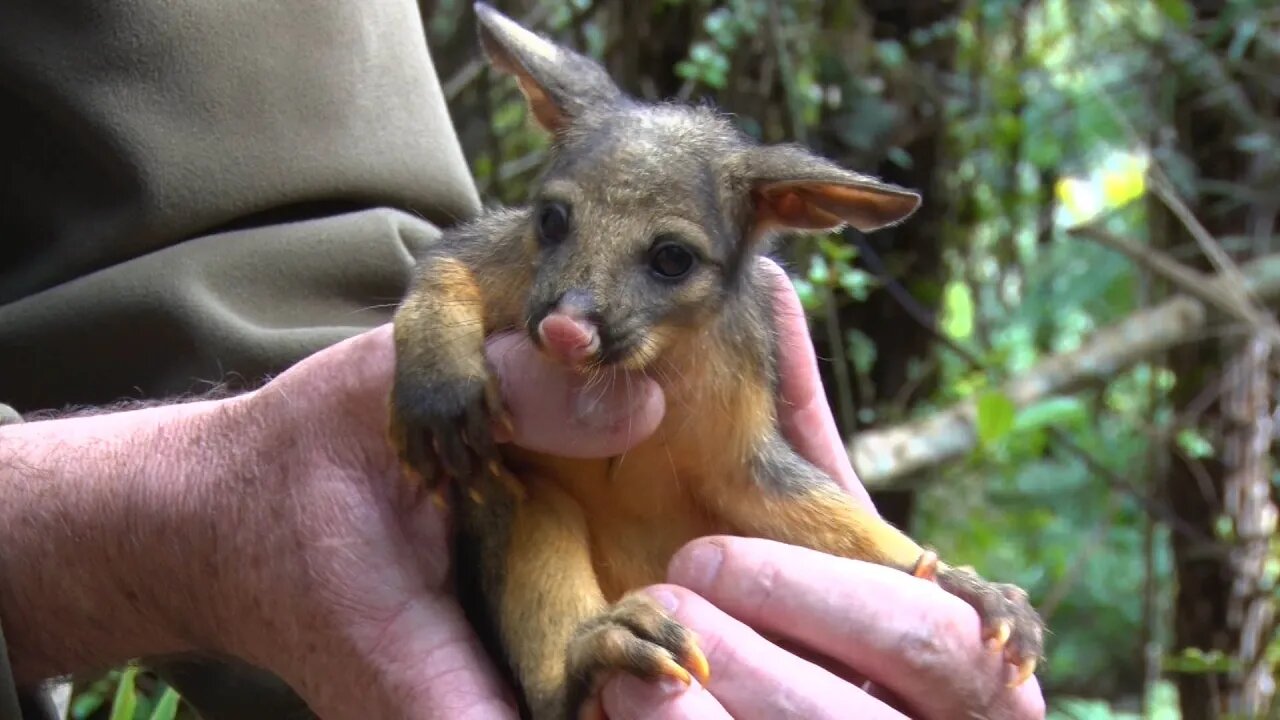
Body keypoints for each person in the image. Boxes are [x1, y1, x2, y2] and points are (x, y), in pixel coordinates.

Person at [0, 1, 1046, 718]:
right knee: (525, 507)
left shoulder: (734, 344)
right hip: (554, 588)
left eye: (666, 262)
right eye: (556, 229)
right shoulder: (512, 265)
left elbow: (765, 485)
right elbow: (445, 285)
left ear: (780, 216)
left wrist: (932, 577)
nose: (572, 309)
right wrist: (435, 361)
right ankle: (570, 670)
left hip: (676, 608)